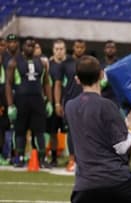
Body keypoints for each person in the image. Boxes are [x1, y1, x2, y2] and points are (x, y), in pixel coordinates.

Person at [66, 55, 131, 203]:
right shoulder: (106, 105)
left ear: (77, 79)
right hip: (114, 179)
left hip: (83, 186)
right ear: (101, 74)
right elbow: (121, 147)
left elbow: (94, 131)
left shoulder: (70, 106)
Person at [5, 37, 53, 168]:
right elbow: (8, 84)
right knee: (20, 130)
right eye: (28, 45)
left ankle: (42, 158)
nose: (30, 48)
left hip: (38, 100)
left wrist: (50, 101)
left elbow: (46, 83)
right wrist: (10, 105)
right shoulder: (14, 62)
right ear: (23, 46)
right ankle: (19, 157)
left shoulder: (42, 63)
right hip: (21, 99)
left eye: (33, 46)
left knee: (40, 131)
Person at [54, 39, 85, 171]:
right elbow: (58, 84)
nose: (79, 49)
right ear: (73, 48)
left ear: (84, 48)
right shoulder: (65, 64)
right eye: (77, 47)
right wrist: (57, 103)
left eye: (81, 47)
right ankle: (72, 159)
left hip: (85, 101)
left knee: (85, 132)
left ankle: (83, 160)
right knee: (72, 131)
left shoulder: (87, 63)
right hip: (70, 101)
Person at [46, 39, 67, 167]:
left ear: (65, 50)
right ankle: (54, 158)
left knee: (72, 133)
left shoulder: (70, 64)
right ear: (53, 50)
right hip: (54, 104)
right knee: (53, 132)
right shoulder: (48, 65)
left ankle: (73, 158)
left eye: (61, 49)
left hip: (68, 103)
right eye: (57, 49)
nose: (59, 51)